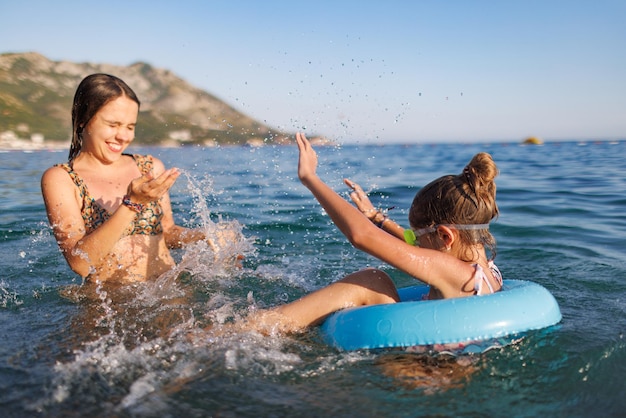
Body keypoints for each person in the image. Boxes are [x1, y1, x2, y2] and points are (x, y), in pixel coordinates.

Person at [248, 132, 502, 333]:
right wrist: (376, 217)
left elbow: (362, 237)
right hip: (444, 363)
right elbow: (413, 249)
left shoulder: (453, 271)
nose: (412, 243)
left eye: (417, 238)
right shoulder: (488, 272)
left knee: (372, 280)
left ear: (446, 237)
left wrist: (310, 178)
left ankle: (248, 329)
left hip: (425, 373)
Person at [41, 73, 237, 284]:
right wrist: (132, 203)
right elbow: (80, 263)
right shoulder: (62, 179)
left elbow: (168, 231)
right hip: (113, 306)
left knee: (277, 314)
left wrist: (206, 236)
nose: (123, 136)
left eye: (130, 127)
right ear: (82, 121)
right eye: (113, 124)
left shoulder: (149, 167)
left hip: (169, 291)